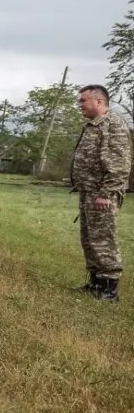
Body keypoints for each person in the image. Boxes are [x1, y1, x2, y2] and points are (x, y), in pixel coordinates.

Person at [70, 84, 131, 302]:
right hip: (89, 192)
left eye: (83, 101)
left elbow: (119, 165)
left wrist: (106, 193)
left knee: (103, 239)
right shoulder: (93, 125)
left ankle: (110, 289)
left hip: (102, 194)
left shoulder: (112, 124)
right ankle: (96, 282)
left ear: (99, 101)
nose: (80, 105)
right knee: (90, 239)